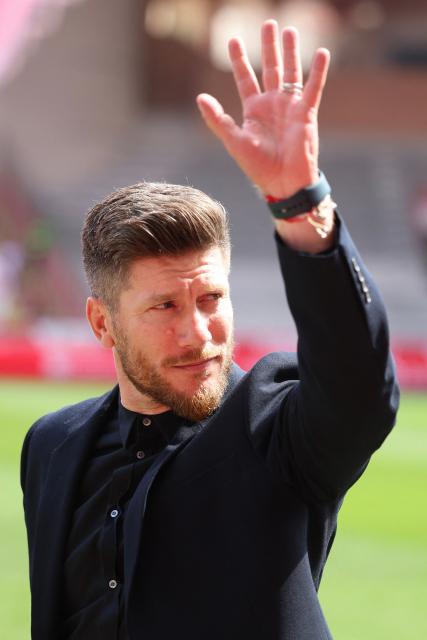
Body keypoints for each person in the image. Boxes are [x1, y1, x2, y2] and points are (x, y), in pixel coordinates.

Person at [21, 20, 399, 640]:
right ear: (102, 322)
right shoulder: (51, 445)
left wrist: (300, 203)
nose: (198, 333)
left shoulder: (276, 429)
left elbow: (358, 386)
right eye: (164, 307)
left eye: (211, 298)